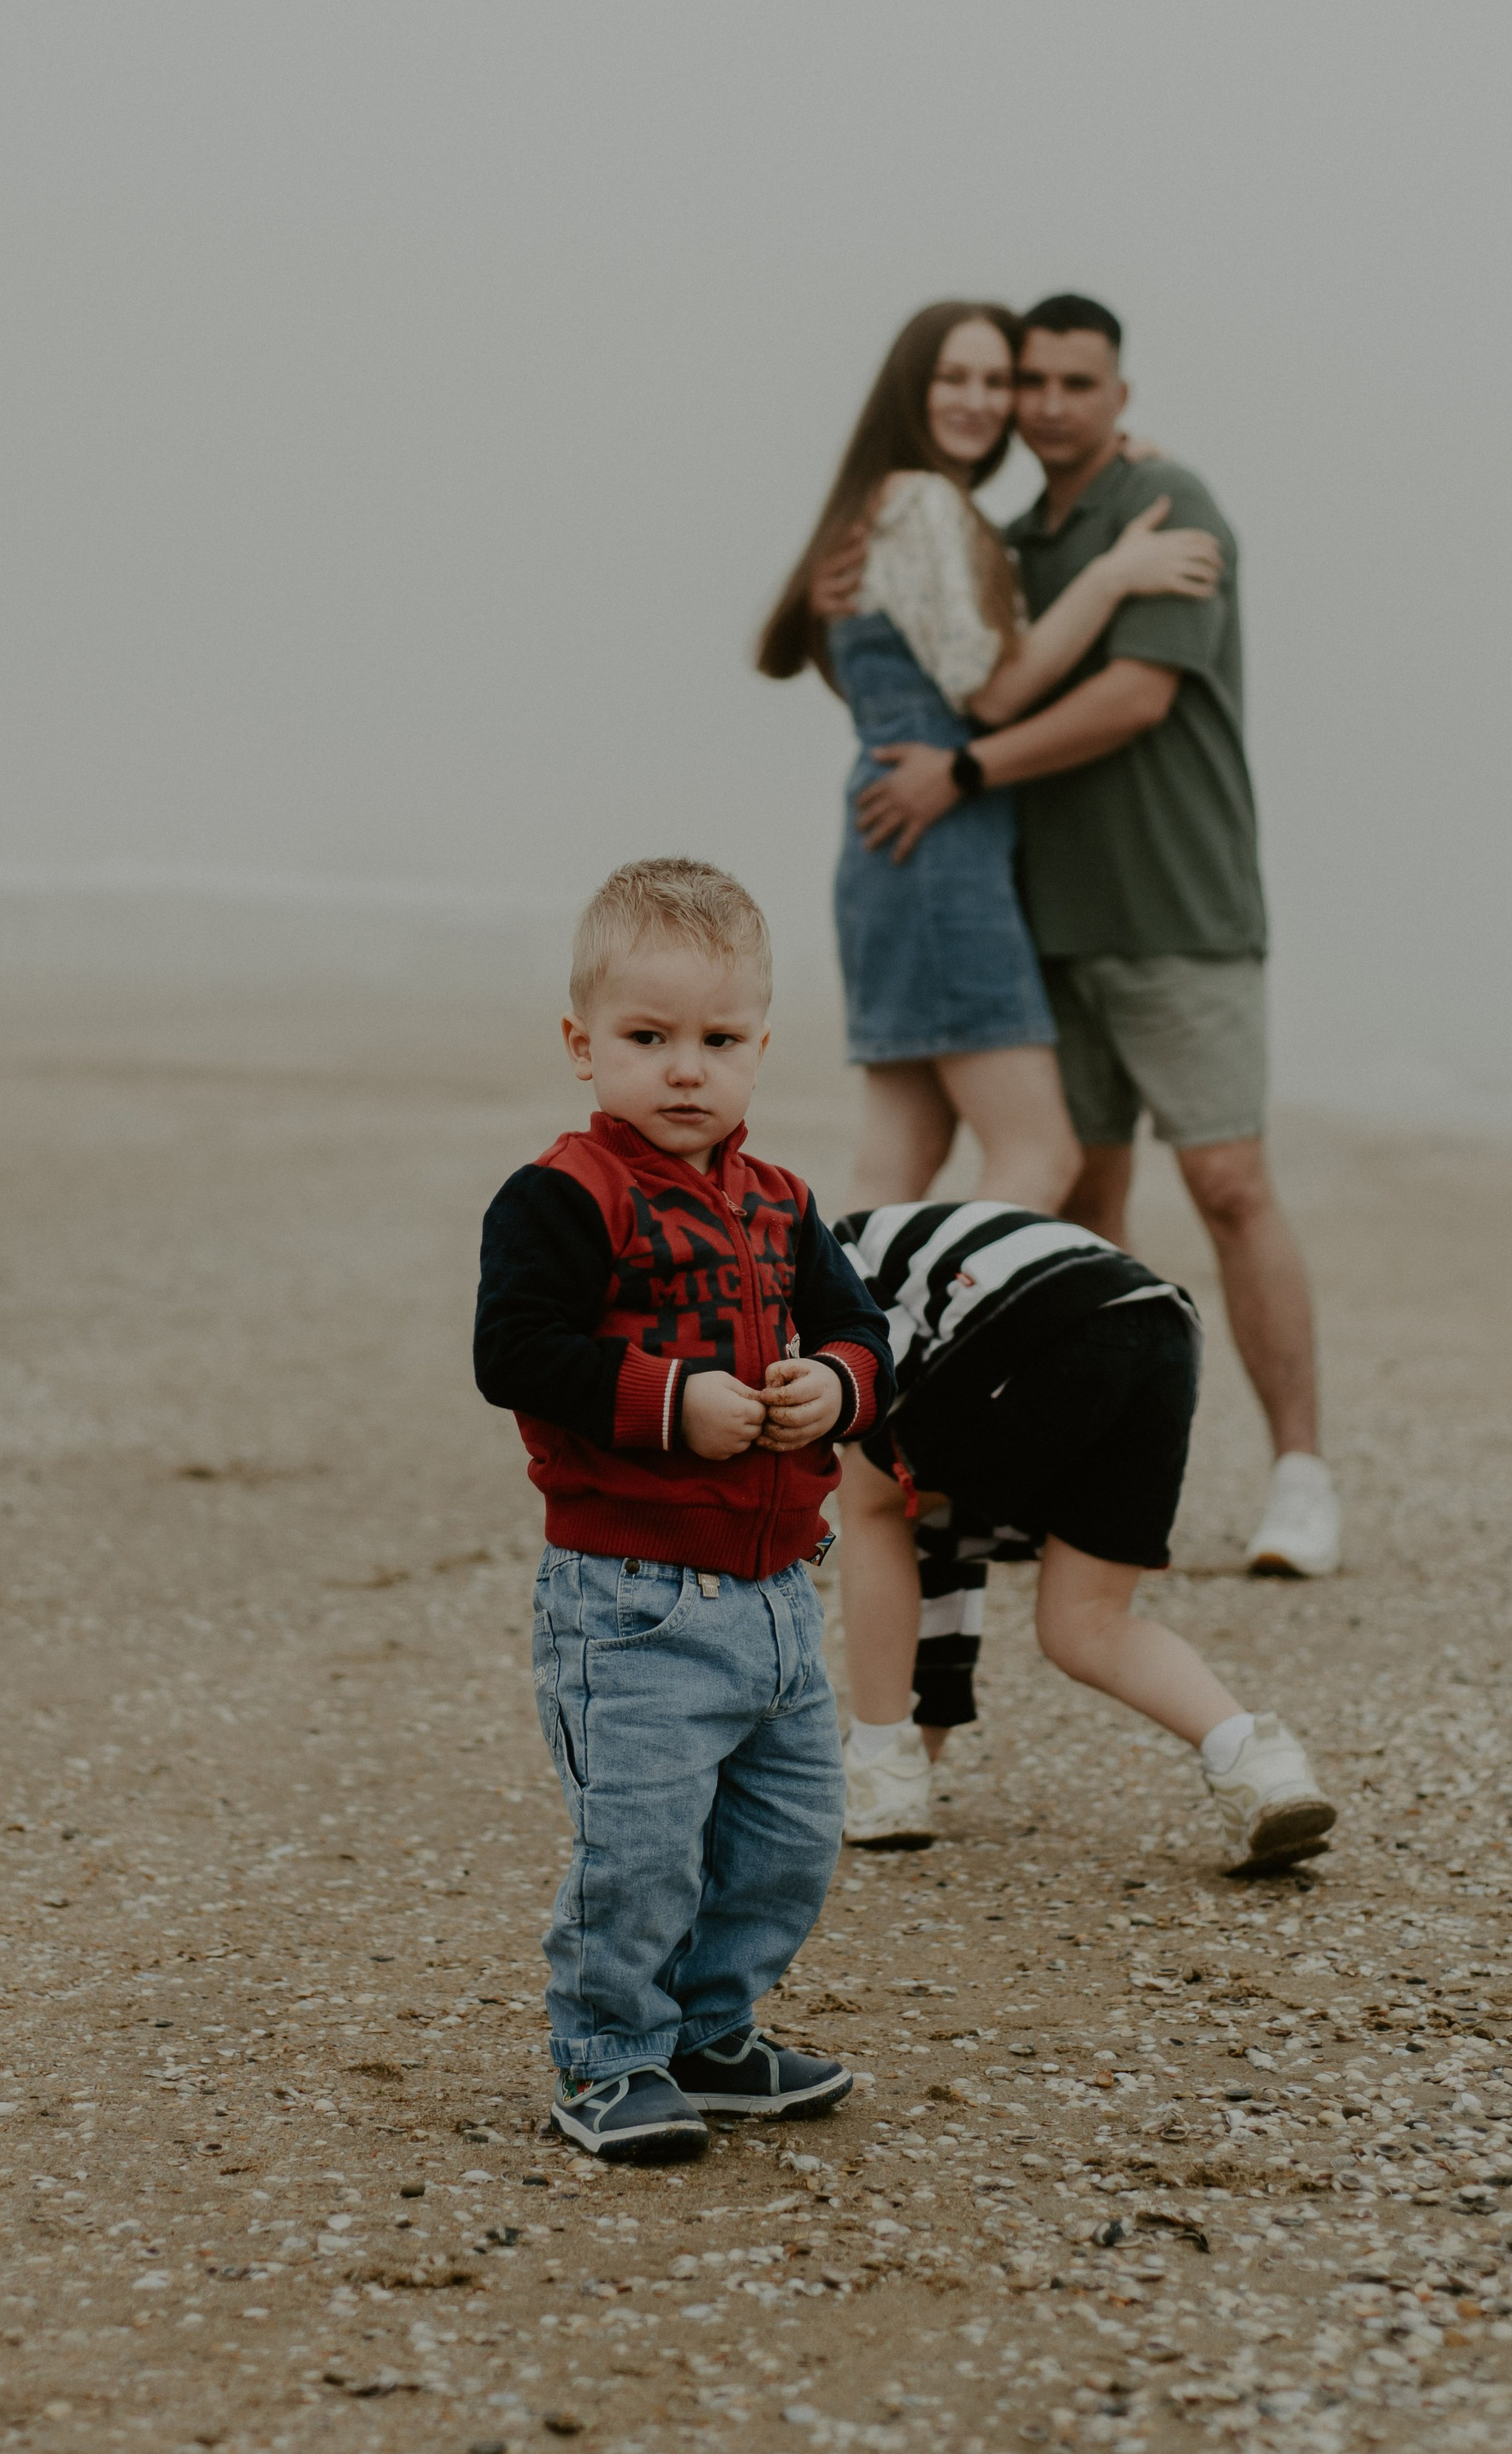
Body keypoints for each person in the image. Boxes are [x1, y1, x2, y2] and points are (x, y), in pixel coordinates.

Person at [846, 295, 1340, 1588]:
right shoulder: (1000, 538)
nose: (1049, 403)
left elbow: (1136, 694)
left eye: (1077, 381)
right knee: (1084, 1208)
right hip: (1043, 922)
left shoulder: (1171, 509)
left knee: (1231, 1187)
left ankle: (1302, 1480)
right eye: (1032, 382)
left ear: (1118, 393)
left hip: (1181, 915)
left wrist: (963, 769)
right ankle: (1058, 1478)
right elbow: (931, 643)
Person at [473, 858, 894, 2165]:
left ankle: (713, 2032)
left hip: (774, 1595)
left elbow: (858, 1324)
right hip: (632, 1598)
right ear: (581, 1043)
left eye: (717, 1042)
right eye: (647, 1040)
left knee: (786, 1839)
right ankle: (608, 2057)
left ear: (761, 1048)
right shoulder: (564, 1194)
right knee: (641, 1849)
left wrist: (835, 1384)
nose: (684, 1071)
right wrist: (670, 1402)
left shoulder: (778, 1203)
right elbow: (516, 1350)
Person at [756, 300, 1223, 1219]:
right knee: (1039, 1159)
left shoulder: (895, 504)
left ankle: (836, 1359)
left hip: (885, 851)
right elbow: (997, 694)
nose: (981, 399)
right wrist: (1110, 574)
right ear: (911, 389)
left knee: (897, 1163)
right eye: (954, 378)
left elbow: (874, 676)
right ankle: (937, 1361)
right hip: (941, 854)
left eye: (994, 380)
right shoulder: (926, 504)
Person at [831, 1195, 1338, 1868]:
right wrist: (923, 1743)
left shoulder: (816, 1263)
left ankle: (877, 1764)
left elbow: (866, 1401)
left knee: (866, 1494)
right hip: (1162, 1330)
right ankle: (1255, 1760)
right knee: (1085, 1621)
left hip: (1044, 1315)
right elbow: (939, 1544)